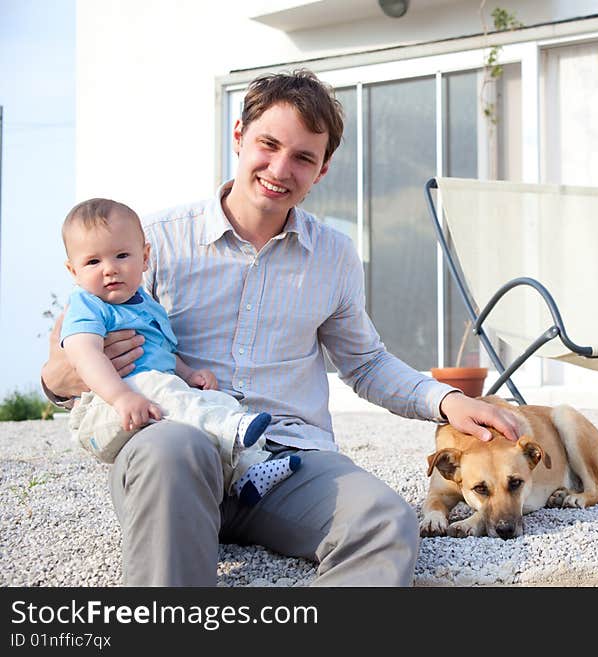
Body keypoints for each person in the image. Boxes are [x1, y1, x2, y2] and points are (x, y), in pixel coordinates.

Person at [42, 69, 520, 587]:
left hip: (286, 462)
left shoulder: (334, 256)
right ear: (239, 137)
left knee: (386, 522)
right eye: (268, 144)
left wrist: (449, 402)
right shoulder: (148, 243)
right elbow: (63, 364)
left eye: (302, 157)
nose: (279, 168)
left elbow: (365, 363)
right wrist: (63, 379)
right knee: (174, 449)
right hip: (176, 455)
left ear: (323, 169)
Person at [60, 198, 298, 504]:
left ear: (145, 257)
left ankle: (249, 472)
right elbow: (85, 355)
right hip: (110, 405)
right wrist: (121, 396)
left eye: (121, 255)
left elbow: (163, 353)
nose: (109, 270)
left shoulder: (147, 304)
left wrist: (189, 373)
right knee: (166, 389)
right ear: (73, 270)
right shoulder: (87, 305)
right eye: (93, 262)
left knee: (216, 399)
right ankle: (231, 430)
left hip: (154, 391)